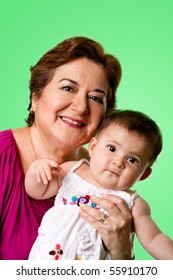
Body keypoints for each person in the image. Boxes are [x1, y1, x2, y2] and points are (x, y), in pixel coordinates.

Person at [0, 36, 133, 260]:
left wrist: (122, 252)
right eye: (68, 87)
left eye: (95, 98)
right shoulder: (3, 156)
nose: (81, 107)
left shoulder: (108, 175)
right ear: (35, 98)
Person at [26, 109, 173, 260]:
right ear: (93, 148)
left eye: (132, 160)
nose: (118, 162)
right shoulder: (73, 170)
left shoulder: (133, 203)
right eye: (112, 149)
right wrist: (36, 169)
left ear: (144, 174)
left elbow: (154, 238)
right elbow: (37, 192)